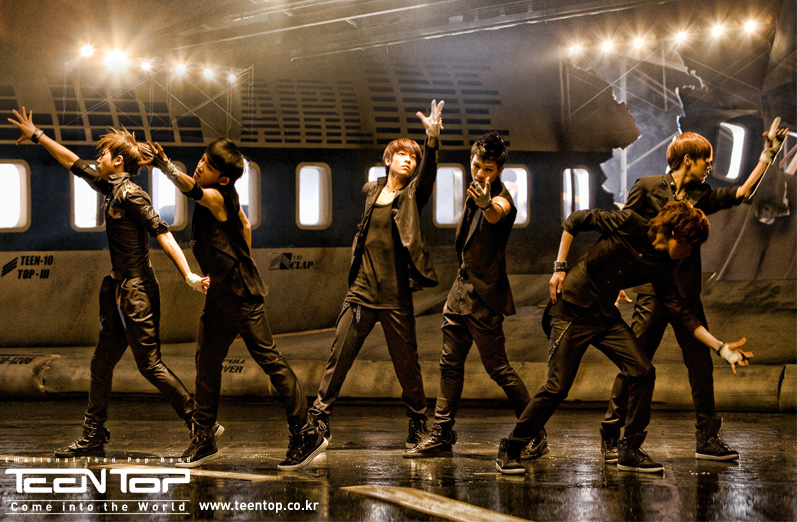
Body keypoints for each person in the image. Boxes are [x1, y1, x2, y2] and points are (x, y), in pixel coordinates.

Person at [8, 108, 211, 457]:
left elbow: (163, 233)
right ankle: (93, 436)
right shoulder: (111, 187)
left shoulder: (131, 194)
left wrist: (189, 275)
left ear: (117, 161)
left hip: (137, 292)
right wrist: (38, 136)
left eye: (102, 154)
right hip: (119, 290)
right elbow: (73, 163)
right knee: (101, 364)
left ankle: (200, 426)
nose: (96, 159)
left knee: (150, 365)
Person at [495, 201, 752, 475]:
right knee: (557, 387)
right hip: (573, 309)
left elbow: (681, 312)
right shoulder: (629, 223)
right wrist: (559, 267)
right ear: (673, 233)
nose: (690, 251)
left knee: (642, 371)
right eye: (689, 243)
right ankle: (511, 448)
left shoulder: (663, 265)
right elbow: (575, 221)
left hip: (605, 316)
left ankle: (629, 449)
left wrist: (721, 348)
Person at [600, 127, 787, 463]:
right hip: (652, 294)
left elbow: (742, 192)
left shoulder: (701, 194)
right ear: (688, 159)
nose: (710, 167)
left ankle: (707, 438)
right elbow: (624, 233)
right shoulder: (647, 187)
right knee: (635, 364)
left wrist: (766, 156)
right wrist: (616, 281)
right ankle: (612, 433)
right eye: (707, 161)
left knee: (701, 366)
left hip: (686, 294)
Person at [141, 138, 327, 471]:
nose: (200, 166)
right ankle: (204, 437)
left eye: (209, 166)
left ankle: (306, 433)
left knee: (270, 361)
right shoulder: (225, 199)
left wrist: (165, 166)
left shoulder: (217, 196)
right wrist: (237, 261)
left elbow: (192, 190)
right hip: (222, 294)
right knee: (207, 362)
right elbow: (245, 224)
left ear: (223, 178)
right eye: (202, 159)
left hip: (240, 297)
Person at [308, 100, 444, 448]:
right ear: (388, 159)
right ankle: (319, 418)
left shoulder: (413, 194)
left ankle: (417, 423)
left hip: (395, 296)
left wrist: (431, 139)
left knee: (407, 365)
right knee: (339, 357)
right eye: (402, 155)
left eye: (413, 157)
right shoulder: (371, 190)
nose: (408, 160)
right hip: (361, 293)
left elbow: (429, 174)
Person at [404, 132, 546, 459]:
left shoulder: (501, 198)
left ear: (500, 170)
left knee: (498, 369)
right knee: (449, 365)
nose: (480, 173)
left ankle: (535, 432)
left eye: (488, 169)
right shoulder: (473, 192)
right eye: (476, 165)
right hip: (460, 292)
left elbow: (497, 211)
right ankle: (441, 434)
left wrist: (485, 203)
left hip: (484, 298)